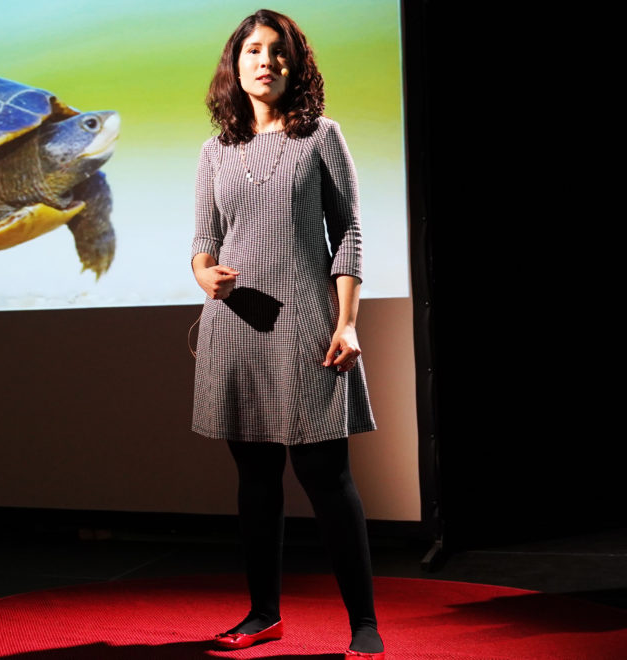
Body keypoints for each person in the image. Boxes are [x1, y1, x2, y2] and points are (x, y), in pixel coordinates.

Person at [190, 9, 384, 658]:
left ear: (293, 65)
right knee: (255, 479)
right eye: (252, 50)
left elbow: (348, 231)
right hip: (237, 329)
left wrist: (348, 322)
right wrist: (204, 275)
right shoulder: (214, 152)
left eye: (276, 52)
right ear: (234, 65)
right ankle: (262, 614)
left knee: (326, 477)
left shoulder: (321, 137)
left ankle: (364, 624)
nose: (264, 61)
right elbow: (201, 245)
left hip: (309, 328)